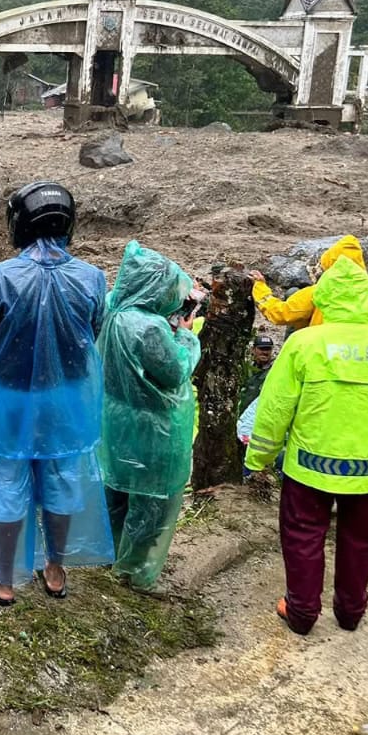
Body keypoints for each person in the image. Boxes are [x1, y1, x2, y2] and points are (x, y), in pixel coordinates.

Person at [247, 256, 368, 635]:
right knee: (362, 541)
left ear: (323, 298)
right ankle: (351, 611)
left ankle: (302, 612)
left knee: (302, 536)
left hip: (310, 467)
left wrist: (258, 458)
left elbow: (275, 409)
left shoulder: (305, 344)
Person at [0, 181, 114, 604]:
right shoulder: (92, 278)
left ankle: (2, 579)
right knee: (63, 478)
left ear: (19, 225)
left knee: (7, 482)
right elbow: (91, 334)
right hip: (66, 398)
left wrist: (13, 359)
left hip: (9, 397)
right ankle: (55, 569)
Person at [98, 241, 202, 591]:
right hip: (154, 430)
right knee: (151, 505)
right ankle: (135, 573)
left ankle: (106, 557)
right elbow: (174, 372)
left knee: (116, 494)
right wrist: (187, 338)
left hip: (116, 424)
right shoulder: (149, 327)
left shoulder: (111, 310)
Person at [250, 235, 368, 330]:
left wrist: (260, 288)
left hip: (323, 363)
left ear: (329, 264)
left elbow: (280, 313)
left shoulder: (319, 292)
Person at [239, 335, 276, 413]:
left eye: (268, 349)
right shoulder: (245, 368)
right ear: (253, 349)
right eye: (261, 349)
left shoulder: (275, 371)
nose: (265, 352)